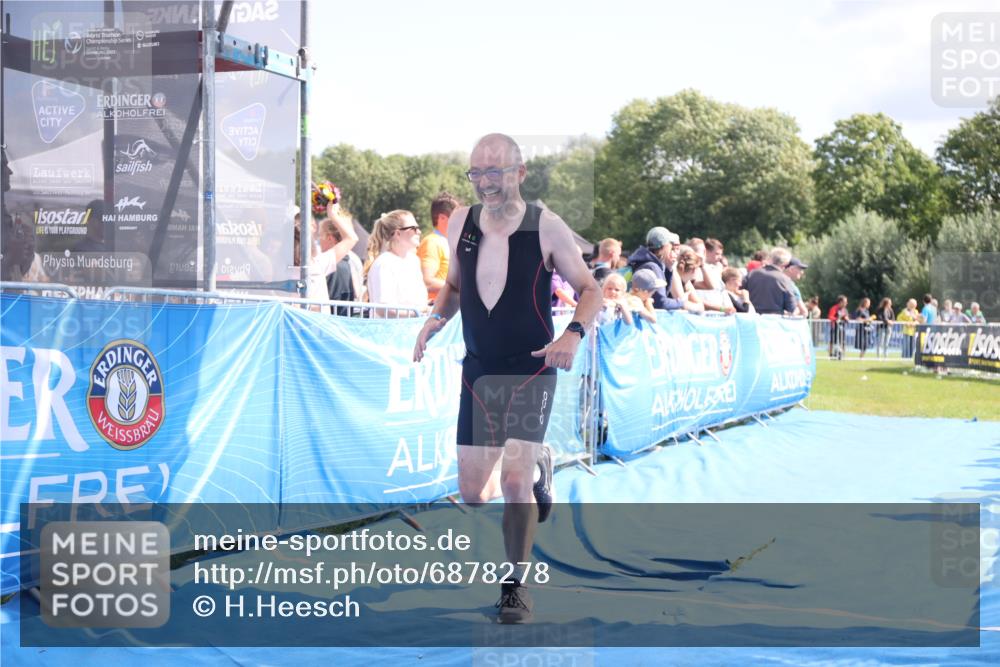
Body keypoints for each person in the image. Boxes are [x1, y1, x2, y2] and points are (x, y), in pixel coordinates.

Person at [412, 133, 601, 624]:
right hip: (478, 368)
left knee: (514, 483)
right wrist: (436, 319)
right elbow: (453, 285)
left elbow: (589, 289)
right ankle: (540, 466)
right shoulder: (460, 223)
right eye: (476, 173)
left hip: (531, 366)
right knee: (474, 494)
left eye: (495, 171)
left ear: (520, 172)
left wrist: (573, 334)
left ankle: (515, 586)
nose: (485, 182)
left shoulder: (548, 226)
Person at [365, 210, 428, 316]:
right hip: (390, 331)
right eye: (413, 228)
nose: (419, 232)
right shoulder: (384, 264)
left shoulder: (414, 261)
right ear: (397, 233)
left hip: (415, 328)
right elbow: (383, 309)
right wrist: (417, 313)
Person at [627, 227, 702, 312]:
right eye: (670, 245)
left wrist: (669, 269)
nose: (672, 248)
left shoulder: (644, 262)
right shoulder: (653, 267)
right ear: (665, 246)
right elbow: (660, 302)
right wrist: (681, 302)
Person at [418, 192, 460, 303]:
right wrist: (463, 289)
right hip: (436, 312)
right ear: (441, 218)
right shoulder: (432, 242)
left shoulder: (449, 243)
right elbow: (427, 281)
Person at [745, 247, 798, 315]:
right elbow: (791, 307)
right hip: (774, 321)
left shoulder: (752, 274)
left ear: (771, 258)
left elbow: (740, 294)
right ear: (785, 263)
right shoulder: (785, 280)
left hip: (753, 320)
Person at [828, 295, 849, 359]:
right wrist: (837, 319)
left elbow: (847, 317)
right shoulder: (834, 308)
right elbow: (830, 317)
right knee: (832, 341)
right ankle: (831, 355)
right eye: (845, 302)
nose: (846, 303)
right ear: (840, 302)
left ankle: (843, 355)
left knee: (843, 341)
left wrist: (846, 318)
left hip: (842, 328)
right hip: (834, 327)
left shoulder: (845, 310)